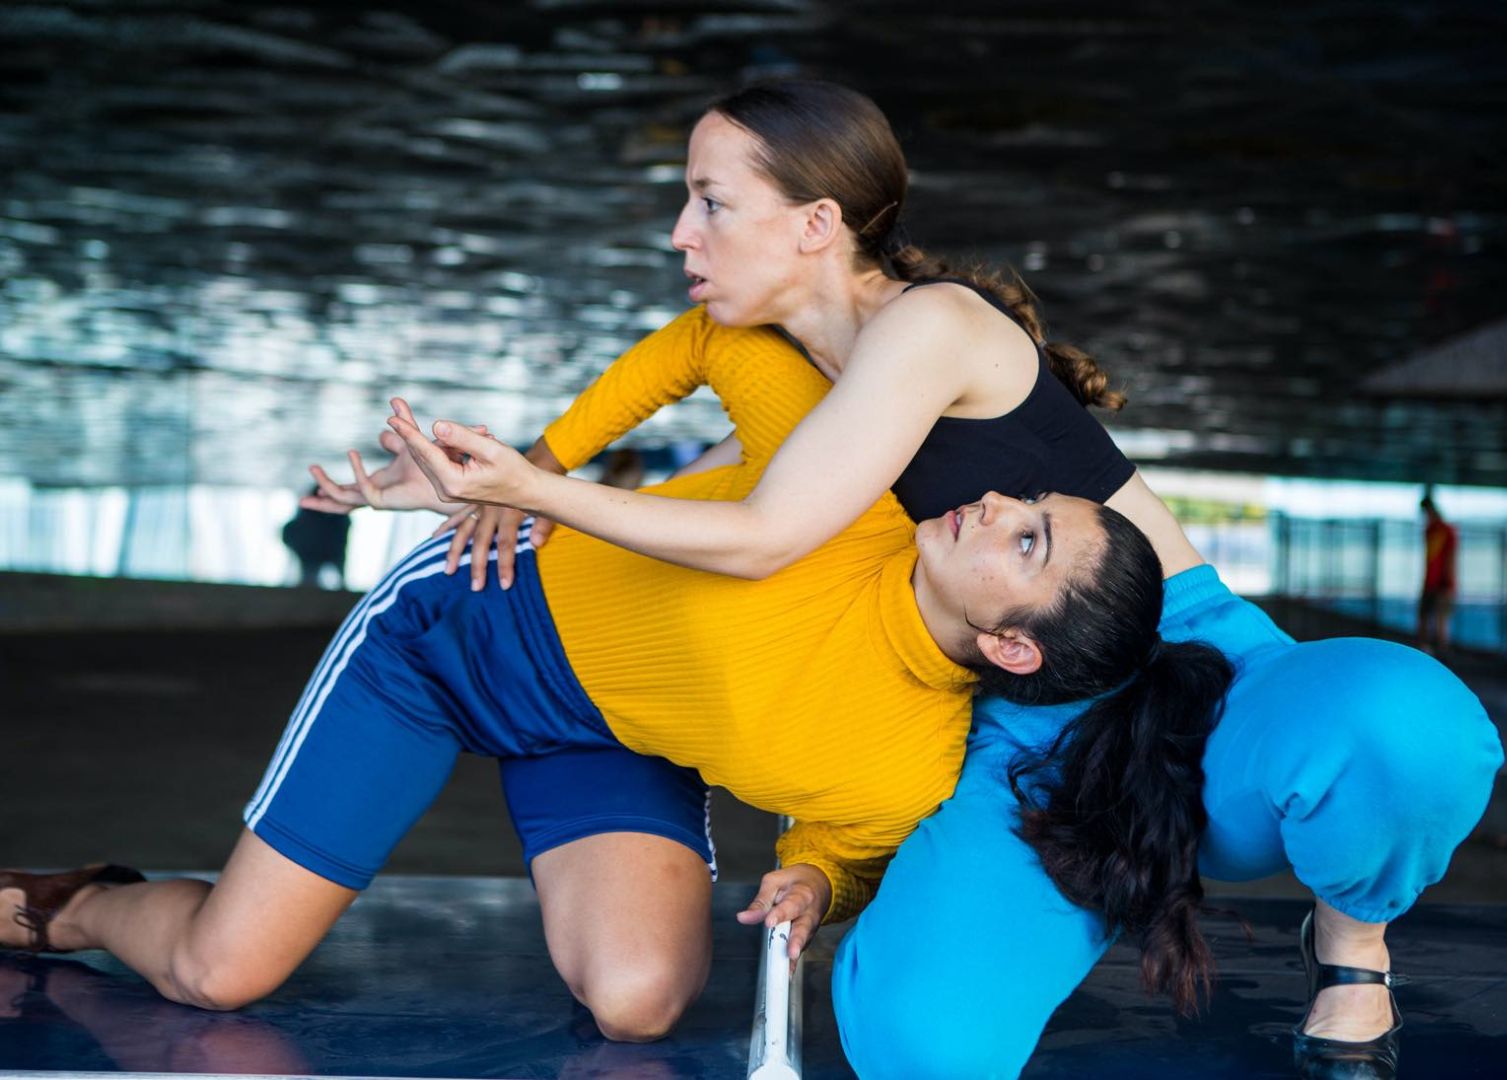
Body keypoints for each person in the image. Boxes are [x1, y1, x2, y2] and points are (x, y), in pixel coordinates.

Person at [302, 80, 1501, 1076]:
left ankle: (1353, 939)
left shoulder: (932, 323)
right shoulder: (795, 385)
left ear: (814, 223)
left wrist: (527, 483)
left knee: (1394, 727)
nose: (679, 232)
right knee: (918, 1041)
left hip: (1180, 656)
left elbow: (770, 533)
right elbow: (719, 521)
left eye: (708, 201)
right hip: (1004, 722)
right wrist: (474, 496)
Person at [0, 337, 1223, 1054]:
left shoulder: (904, 762)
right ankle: (75, 904)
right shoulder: (853, 481)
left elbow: (841, 841)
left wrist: (813, 881)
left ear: (1015, 653)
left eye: (1025, 546)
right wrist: (542, 468)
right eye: (1032, 505)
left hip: (600, 735)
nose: (998, 507)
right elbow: (713, 340)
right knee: (220, 976)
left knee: (639, 1004)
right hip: (455, 639)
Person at [1417, 491, 1458, 655]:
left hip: (1441, 584)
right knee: (1431, 619)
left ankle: (1440, 653)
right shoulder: (1432, 530)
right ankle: (1436, 652)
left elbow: (1449, 558)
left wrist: (1446, 582)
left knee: (1438, 620)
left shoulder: (1443, 531)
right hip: (1433, 583)